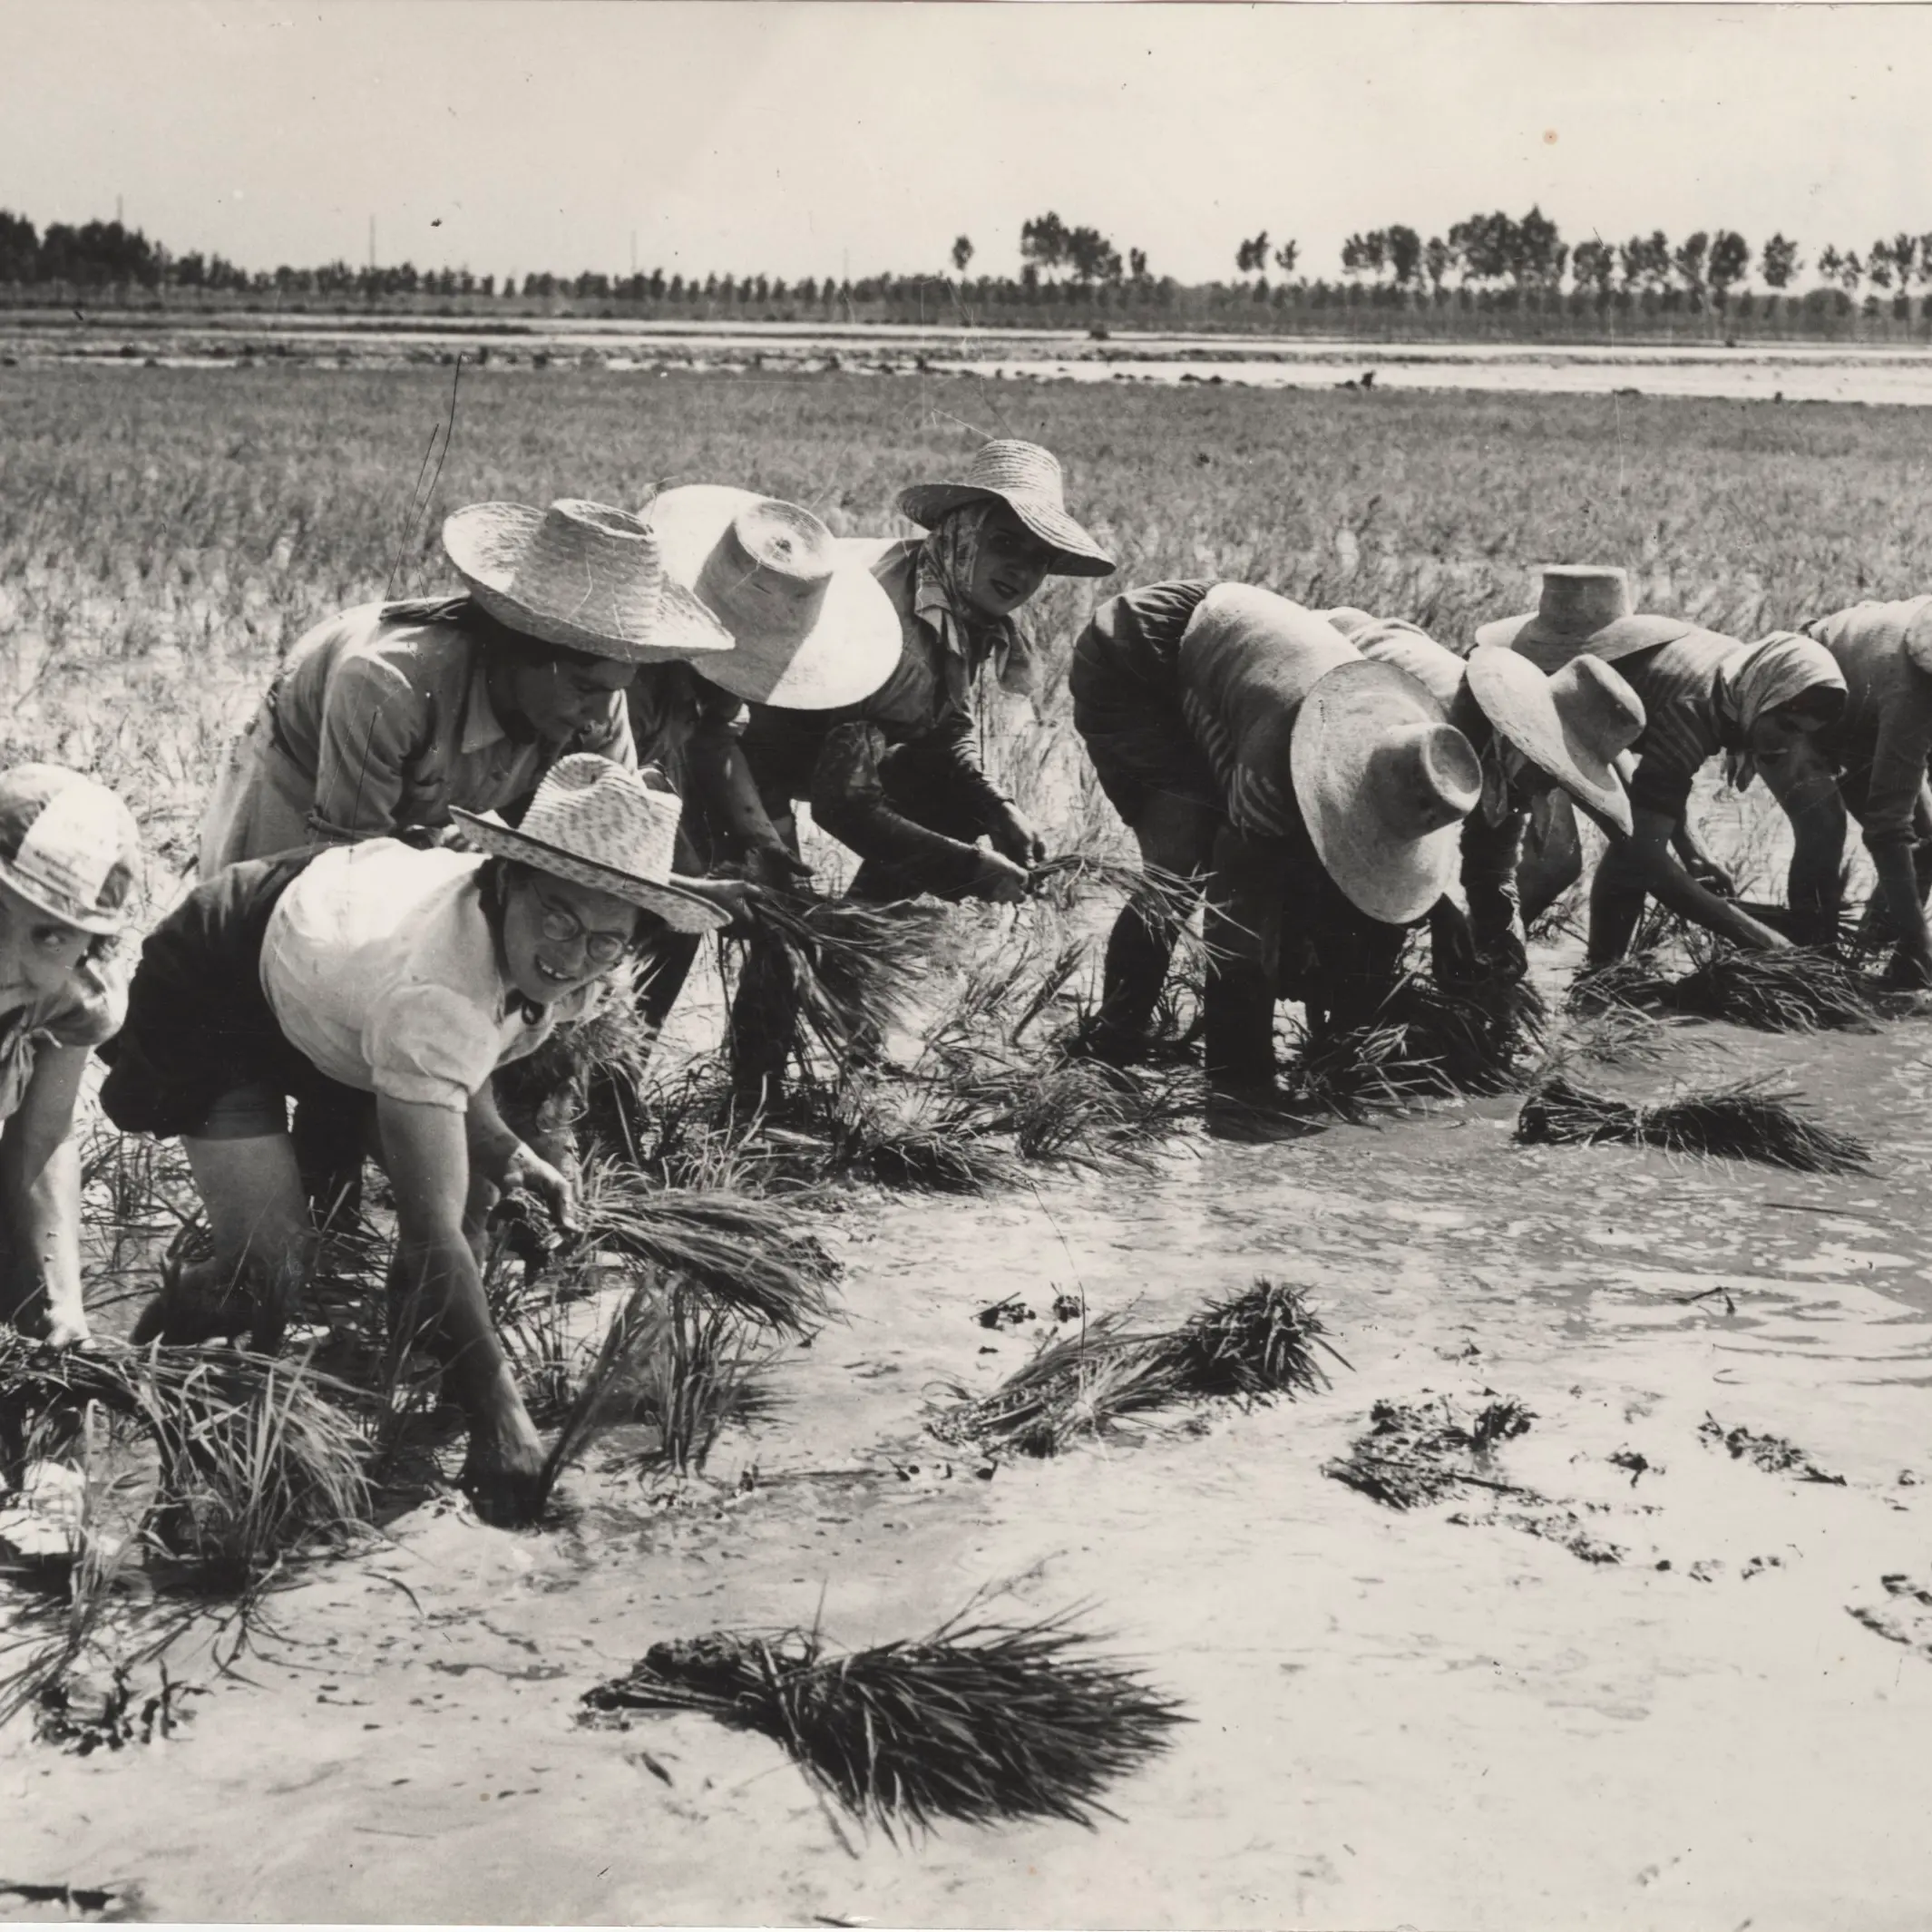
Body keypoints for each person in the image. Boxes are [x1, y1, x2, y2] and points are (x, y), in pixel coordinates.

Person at [100, 756, 727, 1524]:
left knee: (477, 1193)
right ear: (504, 881)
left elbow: (482, 1044)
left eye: (605, 940)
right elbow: (430, 1223)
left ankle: (396, 1371)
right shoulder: (435, 994)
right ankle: (130, 1376)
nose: (570, 957)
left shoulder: (583, 966)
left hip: (340, 968)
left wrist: (501, 1145)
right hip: (222, 968)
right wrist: (502, 1418)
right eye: (558, 918)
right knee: (269, 1270)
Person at [1068, 582, 1483, 1136]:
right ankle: (1112, 1047)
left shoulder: (1399, 750)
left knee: (1307, 880)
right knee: (1182, 867)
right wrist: (1244, 1086)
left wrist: (1436, 911)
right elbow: (1235, 931)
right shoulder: (1282, 761)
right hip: (1144, 649)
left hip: (1244, 660)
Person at [198, 497, 732, 873]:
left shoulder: (599, 695)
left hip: (429, 796)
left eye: (615, 689)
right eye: (585, 690)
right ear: (521, 650)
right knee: (269, 944)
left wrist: (687, 890)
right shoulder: (386, 685)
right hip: (306, 783)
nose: (598, 715)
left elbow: (604, 853)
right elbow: (344, 863)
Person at [736, 438, 1116, 905]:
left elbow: (942, 724)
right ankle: (843, 939)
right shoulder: (896, 631)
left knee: (959, 798)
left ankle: (859, 932)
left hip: (803, 745)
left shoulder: (949, 594)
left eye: (1039, 558)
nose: (1020, 570)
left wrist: (997, 806)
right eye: (1004, 543)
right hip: (730, 750)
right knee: (777, 920)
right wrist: (964, 867)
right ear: (962, 532)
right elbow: (843, 802)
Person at [1319, 610, 1645, 989]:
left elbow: (1491, 862)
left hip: (1386, 655)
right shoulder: (1440, 741)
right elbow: (1359, 832)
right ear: (1535, 741)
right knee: (1354, 931)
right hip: (1336, 668)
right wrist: (1441, 913)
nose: (1551, 790)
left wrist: (1505, 930)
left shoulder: (1515, 762)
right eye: (1554, 770)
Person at [1552, 618, 1849, 964]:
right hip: (1558, 706)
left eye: (1801, 733)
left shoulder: (1742, 678)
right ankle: (1592, 971)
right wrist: (1760, 937)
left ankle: (1603, 972)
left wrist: (1691, 849)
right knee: (1565, 864)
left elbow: (1659, 787)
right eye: (1786, 725)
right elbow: (1644, 859)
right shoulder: (1695, 709)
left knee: (1636, 840)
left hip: (1615, 715)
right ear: (1765, 698)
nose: (1788, 744)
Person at [0, 767, 142, 1350]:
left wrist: (59, 1297)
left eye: (50, 937)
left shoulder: (76, 993)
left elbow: (43, 1136)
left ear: (92, 947)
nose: (8, 961)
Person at [1800, 594, 1932, 986]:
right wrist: (1921, 939)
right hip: (1810, 700)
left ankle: (1879, 949)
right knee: (1825, 831)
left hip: (1865, 689)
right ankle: (1819, 969)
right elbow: (1887, 827)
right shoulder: (1914, 696)